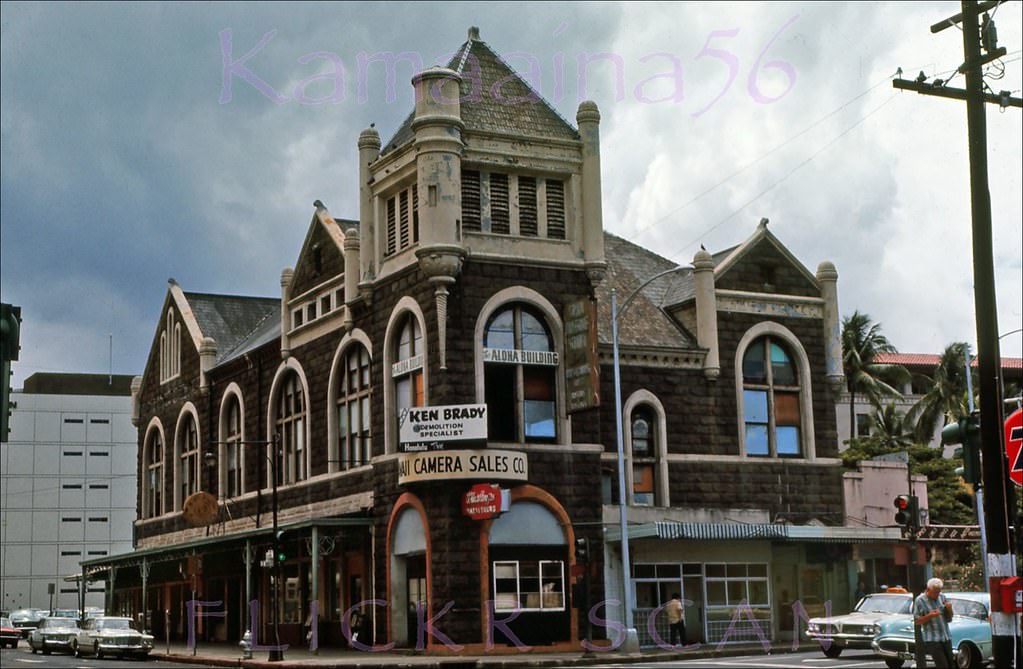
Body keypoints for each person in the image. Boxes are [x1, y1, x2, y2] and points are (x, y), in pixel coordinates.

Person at [913, 577, 955, 668]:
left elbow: (950, 618)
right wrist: (930, 615)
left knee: (951, 665)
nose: (937, 594)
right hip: (932, 639)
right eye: (935, 592)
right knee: (942, 665)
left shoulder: (942, 597)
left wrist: (949, 609)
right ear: (928, 590)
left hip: (946, 636)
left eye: (939, 591)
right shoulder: (920, 600)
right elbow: (917, 621)